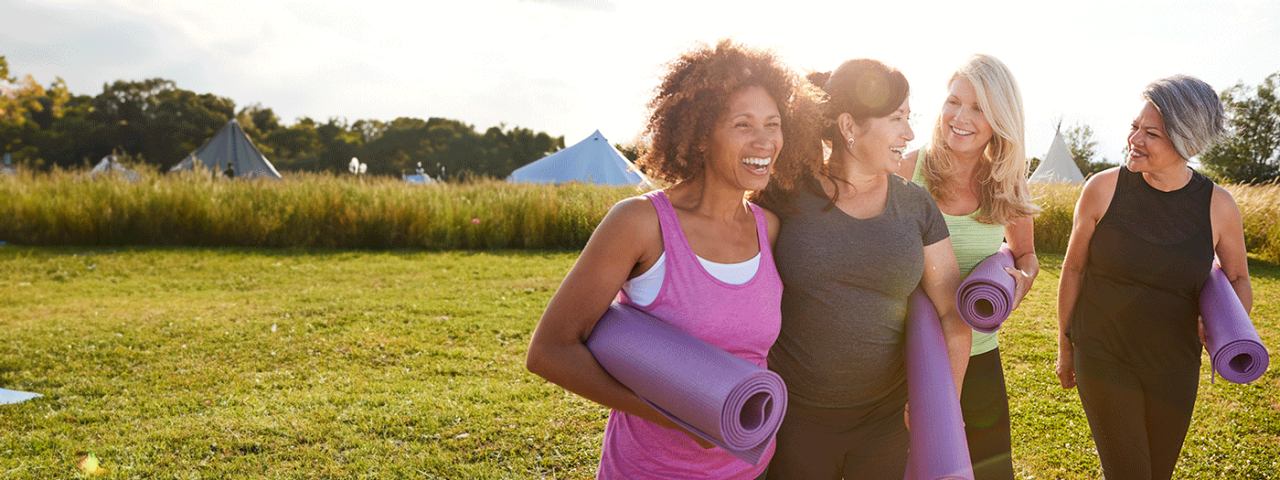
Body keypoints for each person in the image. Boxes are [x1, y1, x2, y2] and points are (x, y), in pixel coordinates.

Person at [525, 39, 820, 480]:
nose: (764, 140)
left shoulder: (769, 228)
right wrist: (679, 413)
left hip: (750, 468)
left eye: (773, 124)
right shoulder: (640, 223)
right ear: (702, 135)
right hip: (652, 468)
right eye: (743, 124)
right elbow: (549, 351)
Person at [752, 59, 970, 480]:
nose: (908, 134)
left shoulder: (915, 205)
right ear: (849, 126)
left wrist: (942, 405)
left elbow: (951, 313)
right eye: (896, 119)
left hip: (886, 422)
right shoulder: (785, 195)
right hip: (796, 417)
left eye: (910, 119)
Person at [1056, 75, 1252, 480]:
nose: (1134, 139)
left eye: (1151, 134)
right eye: (1134, 126)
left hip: (1176, 365)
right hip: (1103, 353)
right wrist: (1065, 346)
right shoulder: (1102, 189)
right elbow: (1073, 269)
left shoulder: (1219, 206)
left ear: (1188, 143)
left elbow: (1238, 278)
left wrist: (1225, 326)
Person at [895, 54, 1040, 480]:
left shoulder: (1007, 181)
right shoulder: (906, 170)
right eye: (953, 101)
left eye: (978, 108)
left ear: (1000, 119)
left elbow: (1025, 254)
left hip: (978, 358)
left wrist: (1022, 281)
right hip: (903, 359)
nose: (960, 117)